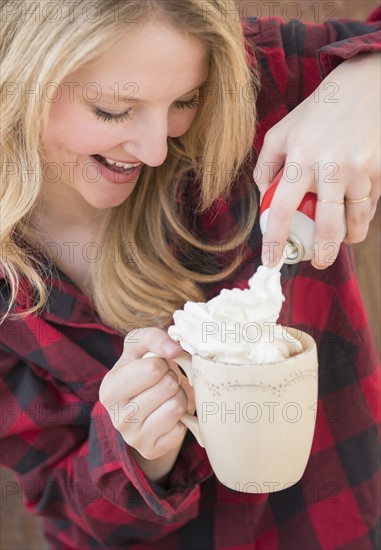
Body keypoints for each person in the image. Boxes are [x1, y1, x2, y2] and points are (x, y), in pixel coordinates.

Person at [0, 1, 380, 548]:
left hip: (337, 515)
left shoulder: (248, 82)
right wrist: (141, 454)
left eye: (185, 101)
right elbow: (70, 512)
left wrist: (369, 83)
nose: (156, 149)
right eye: (112, 110)